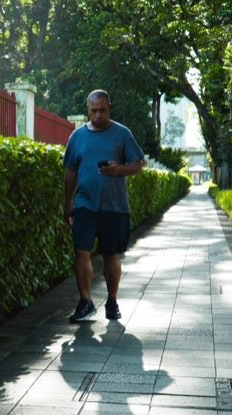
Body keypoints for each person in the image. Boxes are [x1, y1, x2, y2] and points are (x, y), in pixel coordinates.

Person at [62, 89, 146, 322]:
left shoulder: (122, 134)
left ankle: (112, 300)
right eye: (93, 111)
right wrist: (67, 204)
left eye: (102, 110)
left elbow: (138, 164)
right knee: (81, 252)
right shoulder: (77, 136)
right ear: (87, 110)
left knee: (111, 255)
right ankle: (85, 302)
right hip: (84, 205)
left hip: (114, 206)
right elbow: (70, 171)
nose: (98, 115)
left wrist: (119, 169)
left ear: (109, 108)